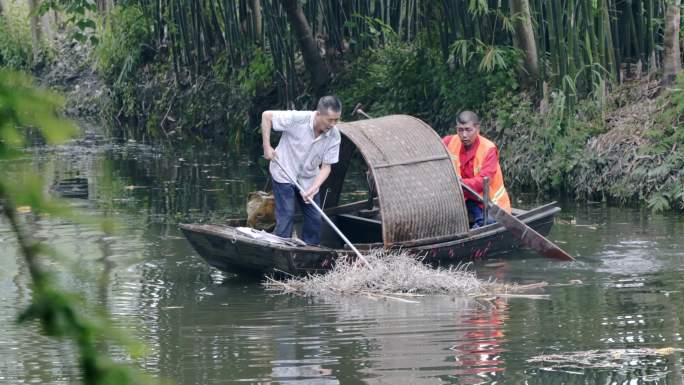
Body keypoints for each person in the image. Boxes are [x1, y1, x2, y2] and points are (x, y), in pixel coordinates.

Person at [261, 96, 342, 245]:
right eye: (330, 120)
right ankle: (279, 251)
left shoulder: (334, 135)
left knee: (315, 219)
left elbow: (326, 167)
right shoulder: (298, 119)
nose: (333, 124)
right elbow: (267, 116)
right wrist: (267, 147)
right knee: (287, 215)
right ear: (318, 114)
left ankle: (309, 254)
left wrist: (313, 188)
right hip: (283, 171)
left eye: (336, 120)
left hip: (309, 178)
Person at [443, 111, 511, 228]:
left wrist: (458, 183)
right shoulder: (449, 141)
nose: (464, 135)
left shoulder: (489, 149)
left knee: (487, 223)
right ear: (456, 129)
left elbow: (481, 182)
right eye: (460, 130)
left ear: (477, 128)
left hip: (490, 202)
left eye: (468, 130)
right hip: (465, 198)